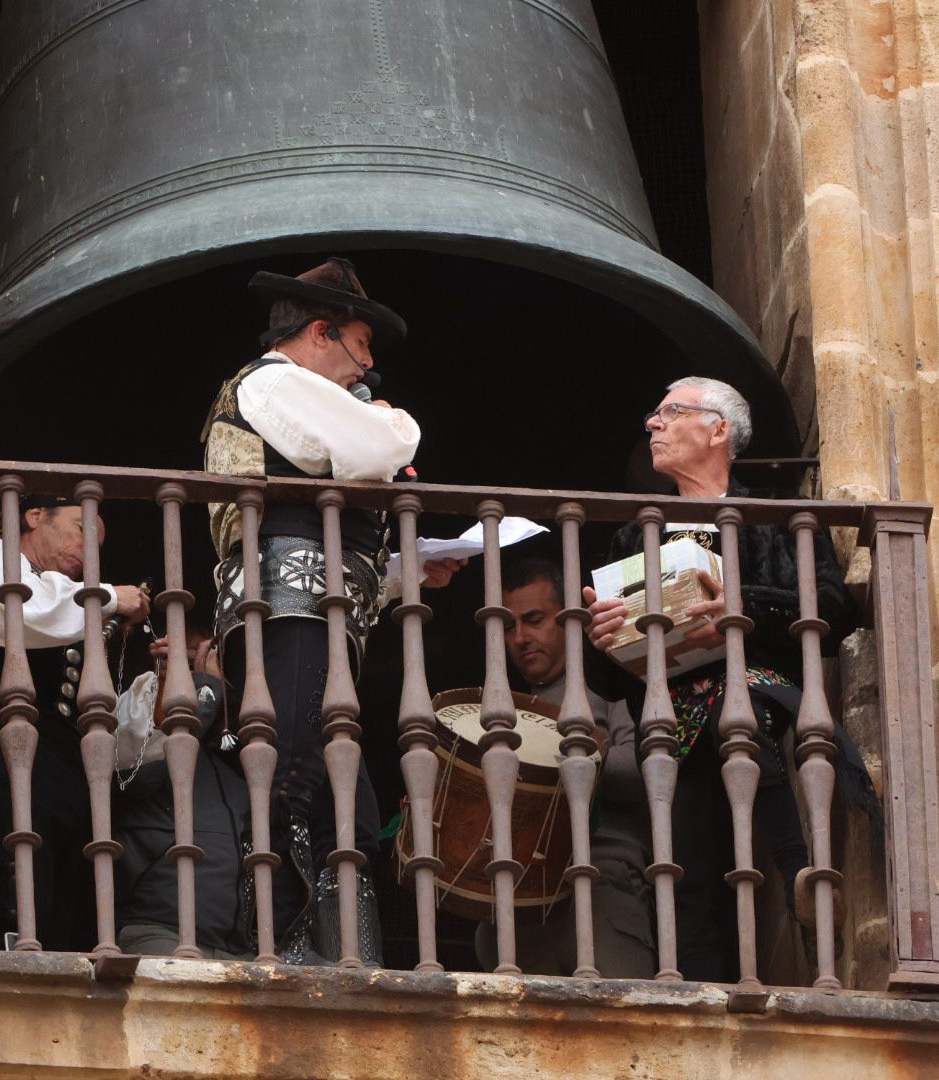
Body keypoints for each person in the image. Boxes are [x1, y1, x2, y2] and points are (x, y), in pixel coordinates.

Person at [202, 257, 461, 964]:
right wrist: (391, 420)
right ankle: (280, 943)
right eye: (361, 346)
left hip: (305, 603)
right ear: (321, 331)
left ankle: (341, 950)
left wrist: (403, 574)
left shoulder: (281, 391)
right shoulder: (274, 380)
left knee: (345, 796)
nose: (367, 366)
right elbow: (372, 452)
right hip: (290, 607)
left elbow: (320, 511)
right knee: (293, 768)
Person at [581, 376, 861, 983]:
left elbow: (832, 609)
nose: (652, 423)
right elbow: (607, 679)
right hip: (672, 718)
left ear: (718, 430)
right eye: (654, 414)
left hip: (758, 686)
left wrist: (742, 607)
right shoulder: (635, 535)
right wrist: (603, 636)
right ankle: (786, 891)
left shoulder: (776, 517)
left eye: (669, 411)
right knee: (688, 858)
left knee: (737, 711)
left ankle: (800, 883)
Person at [0, 495, 151, 951]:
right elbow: (1, 614)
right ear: (34, 517)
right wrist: (106, 598)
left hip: (58, 757)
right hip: (3, 740)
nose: (90, 554)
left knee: (64, 882)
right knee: (16, 863)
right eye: (81, 530)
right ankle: (6, 948)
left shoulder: (64, 596)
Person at [473, 555, 655, 978]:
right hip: (517, 905)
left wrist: (576, 754)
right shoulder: (498, 712)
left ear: (568, 618)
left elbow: (646, 774)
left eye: (534, 619)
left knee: (619, 1034)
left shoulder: (614, 686)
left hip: (603, 886)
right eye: (507, 625)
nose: (520, 637)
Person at [111, 629, 253, 959]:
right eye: (187, 665)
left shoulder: (240, 767)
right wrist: (204, 691)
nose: (198, 678)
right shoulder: (136, 725)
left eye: (202, 665)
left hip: (234, 949)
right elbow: (136, 775)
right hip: (159, 933)